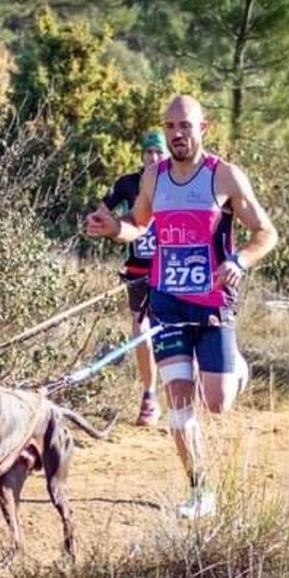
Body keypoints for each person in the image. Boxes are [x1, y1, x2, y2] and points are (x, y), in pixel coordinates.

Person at [84, 95, 278, 519]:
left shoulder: (223, 176)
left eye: (185, 126)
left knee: (218, 401)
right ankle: (200, 490)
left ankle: (235, 367)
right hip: (167, 301)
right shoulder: (153, 177)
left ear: (202, 129)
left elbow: (266, 232)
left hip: (211, 302)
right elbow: (138, 226)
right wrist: (113, 228)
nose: (177, 134)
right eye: (170, 126)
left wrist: (239, 260)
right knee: (178, 400)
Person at [94, 129, 167, 426]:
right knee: (141, 331)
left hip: (171, 270)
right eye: (149, 152)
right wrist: (105, 224)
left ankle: (185, 391)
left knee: (176, 331)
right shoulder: (127, 183)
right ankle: (149, 395)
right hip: (138, 269)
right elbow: (102, 210)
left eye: (158, 152)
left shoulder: (177, 180)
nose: (153, 157)